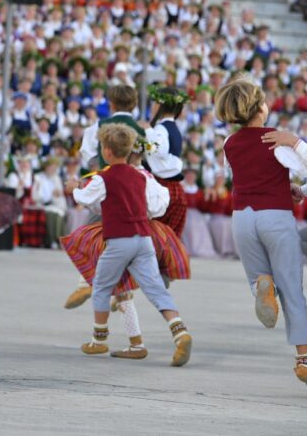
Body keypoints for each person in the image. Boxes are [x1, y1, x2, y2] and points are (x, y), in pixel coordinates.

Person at [67, 124, 193, 367]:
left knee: (101, 286)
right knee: (156, 289)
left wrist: (74, 189)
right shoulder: (141, 176)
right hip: (144, 239)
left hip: (119, 241)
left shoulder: (103, 178)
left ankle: (99, 338)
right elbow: (156, 205)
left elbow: (87, 200)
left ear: (107, 151)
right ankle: (179, 332)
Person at [214, 76, 307, 385]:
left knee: (258, 278)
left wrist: (288, 186)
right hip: (275, 216)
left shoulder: (229, 144)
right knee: (292, 289)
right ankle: (304, 359)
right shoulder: (275, 139)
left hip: (242, 218)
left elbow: (247, 174)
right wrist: (295, 142)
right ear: (259, 109)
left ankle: (261, 285)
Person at [143, 85, 189, 238]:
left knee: (156, 237)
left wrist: (147, 130)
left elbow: (159, 150)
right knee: (169, 239)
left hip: (161, 187)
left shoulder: (160, 129)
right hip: (175, 189)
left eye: (154, 103)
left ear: (159, 105)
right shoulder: (173, 127)